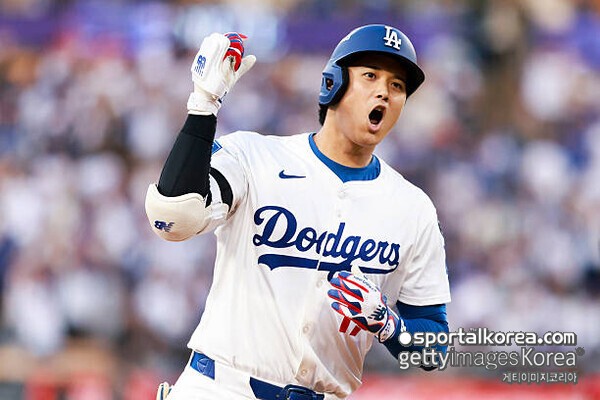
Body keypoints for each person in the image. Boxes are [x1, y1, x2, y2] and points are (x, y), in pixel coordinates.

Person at [145, 24, 451, 400]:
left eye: (397, 85)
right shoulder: (255, 156)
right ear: (333, 83)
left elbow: (435, 349)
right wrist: (203, 107)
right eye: (371, 76)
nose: (384, 92)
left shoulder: (414, 209)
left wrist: (389, 326)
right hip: (220, 387)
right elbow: (174, 217)